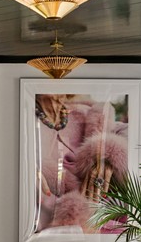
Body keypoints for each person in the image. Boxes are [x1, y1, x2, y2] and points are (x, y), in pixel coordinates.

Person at [33, 92, 129, 234]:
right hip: (54, 227)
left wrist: (107, 154)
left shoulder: (86, 113)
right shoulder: (23, 119)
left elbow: (135, 135)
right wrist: (28, 168)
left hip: (111, 220)